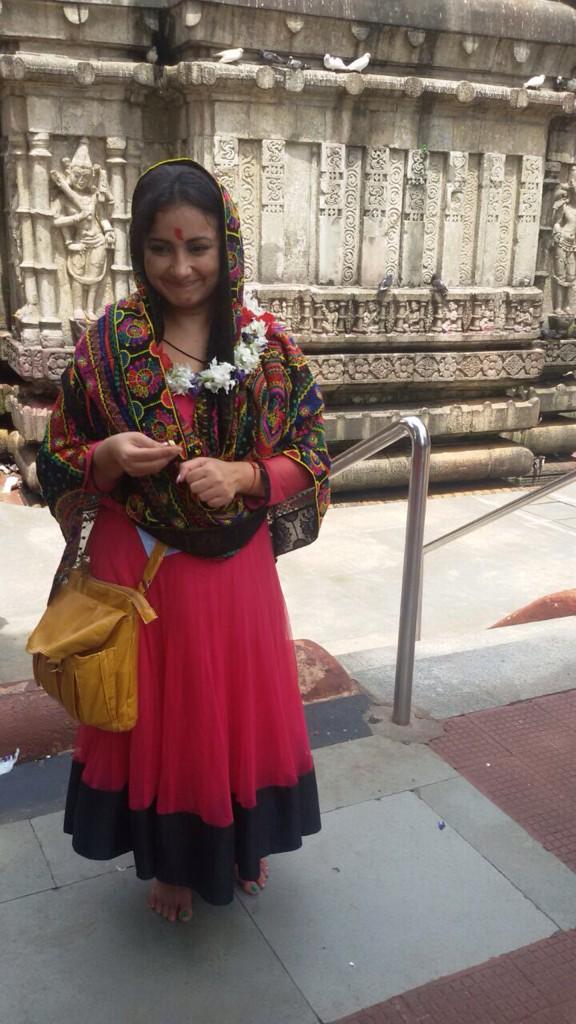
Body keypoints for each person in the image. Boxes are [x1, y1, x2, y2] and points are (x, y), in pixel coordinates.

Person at [36, 158, 330, 923]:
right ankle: (168, 864)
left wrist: (248, 480)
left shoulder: (268, 347)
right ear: (138, 249)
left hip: (237, 574)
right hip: (144, 570)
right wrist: (104, 458)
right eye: (162, 250)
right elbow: (56, 456)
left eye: (198, 247)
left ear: (226, 245)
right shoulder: (106, 346)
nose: (182, 267)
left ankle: (238, 841)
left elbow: (313, 455)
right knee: (164, 719)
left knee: (229, 712)